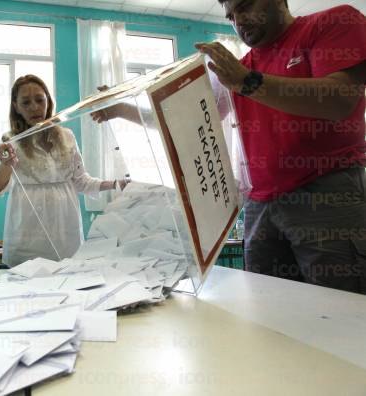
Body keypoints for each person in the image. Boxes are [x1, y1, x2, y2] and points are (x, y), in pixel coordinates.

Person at [95, 2, 366, 294]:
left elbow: (341, 98)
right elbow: (181, 118)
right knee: (272, 314)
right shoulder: (238, 70)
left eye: (245, 6)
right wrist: (120, 109)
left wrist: (248, 82)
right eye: (231, 16)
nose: (239, 21)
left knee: (342, 310)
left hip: (325, 192)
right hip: (260, 205)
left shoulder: (330, 23)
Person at [0, 75, 127, 267]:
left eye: (39, 99)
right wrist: (6, 164)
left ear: (48, 101)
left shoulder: (67, 136)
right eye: (26, 102)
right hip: (28, 237)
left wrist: (116, 184)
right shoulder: (10, 141)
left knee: (69, 287)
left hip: (66, 235)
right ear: (16, 107)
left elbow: (81, 181)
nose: (34, 107)